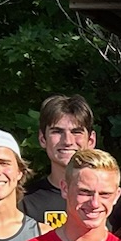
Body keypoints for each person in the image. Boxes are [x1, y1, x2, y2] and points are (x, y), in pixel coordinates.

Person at [20, 94, 97, 230]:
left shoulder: (112, 202)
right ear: (42, 139)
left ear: (91, 140)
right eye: (57, 131)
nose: (67, 141)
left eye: (76, 132)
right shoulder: (24, 201)